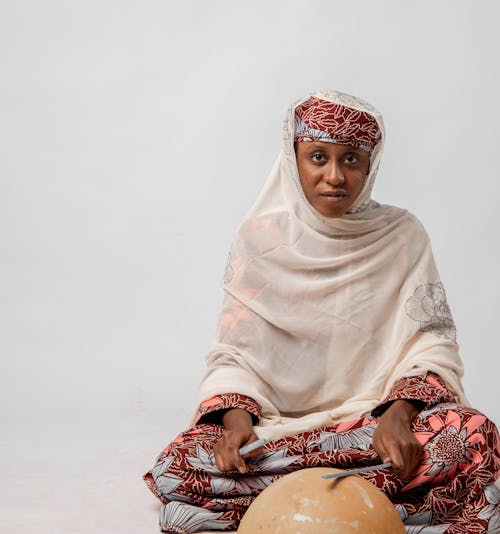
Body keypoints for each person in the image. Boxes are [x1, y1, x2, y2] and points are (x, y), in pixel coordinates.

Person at [144, 90, 500, 534]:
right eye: (318, 157)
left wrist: (397, 415)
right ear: (293, 161)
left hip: (374, 424)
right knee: (178, 465)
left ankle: (292, 507)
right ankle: (373, 508)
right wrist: (237, 425)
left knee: (473, 436)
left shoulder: (401, 235)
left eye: (351, 160)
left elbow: (431, 339)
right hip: (278, 432)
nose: (334, 176)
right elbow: (233, 356)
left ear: (370, 167)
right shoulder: (261, 239)